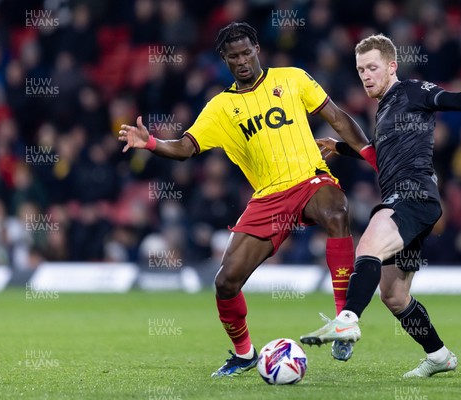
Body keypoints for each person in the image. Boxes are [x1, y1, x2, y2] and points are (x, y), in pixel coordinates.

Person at [118, 22, 377, 377]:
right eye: (233, 56)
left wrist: (372, 156)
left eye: (246, 52)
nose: (241, 61)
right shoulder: (220, 108)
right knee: (225, 283)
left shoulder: (293, 79)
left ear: (257, 48)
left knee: (337, 210)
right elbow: (183, 149)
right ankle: (244, 354)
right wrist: (150, 143)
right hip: (268, 199)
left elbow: (336, 117)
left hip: (309, 180)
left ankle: (343, 319)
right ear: (224, 59)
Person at [300, 33, 461, 378]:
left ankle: (348, 320)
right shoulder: (385, 109)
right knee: (395, 295)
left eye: (372, 68)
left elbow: (450, 98)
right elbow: (379, 154)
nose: (366, 75)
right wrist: (340, 147)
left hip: (414, 195)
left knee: (368, 245)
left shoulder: (410, 91)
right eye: (360, 70)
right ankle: (439, 355)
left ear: (391, 67)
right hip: (410, 200)